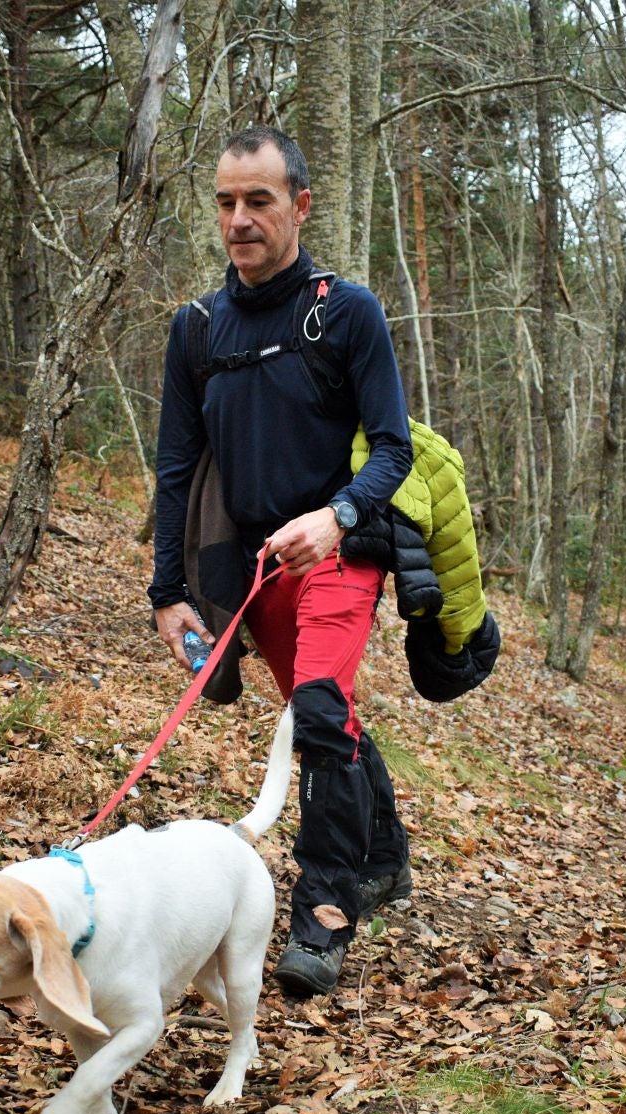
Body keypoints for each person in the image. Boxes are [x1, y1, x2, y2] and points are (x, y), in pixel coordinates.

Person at [147, 126, 416, 998]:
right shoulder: (196, 330)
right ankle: (384, 860)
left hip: (341, 548)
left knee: (317, 703)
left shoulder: (347, 311)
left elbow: (393, 451)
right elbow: (178, 471)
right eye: (226, 201)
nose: (239, 219)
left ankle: (324, 914)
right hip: (253, 566)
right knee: (325, 720)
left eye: (258, 200)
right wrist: (168, 592)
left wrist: (337, 519)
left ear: (298, 205)